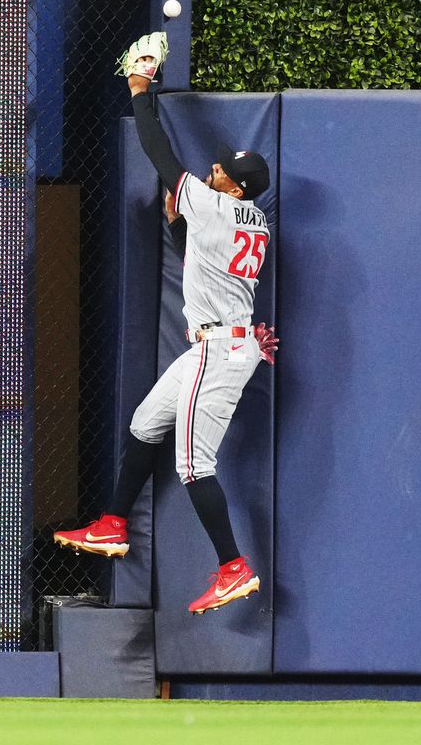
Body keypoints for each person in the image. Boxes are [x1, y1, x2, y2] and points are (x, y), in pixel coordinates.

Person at [55, 39, 277, 615]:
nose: (213, 167)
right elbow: (199, 256)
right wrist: (182, 225)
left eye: (222, 168)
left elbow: (158, 152)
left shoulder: (217, 204)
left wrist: (140, 90)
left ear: (234, 186)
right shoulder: (250, 218)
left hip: (221, 349)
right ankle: (112, 524)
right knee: (146, 422)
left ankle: (233, 566)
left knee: (193, 465)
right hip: (226, 341)